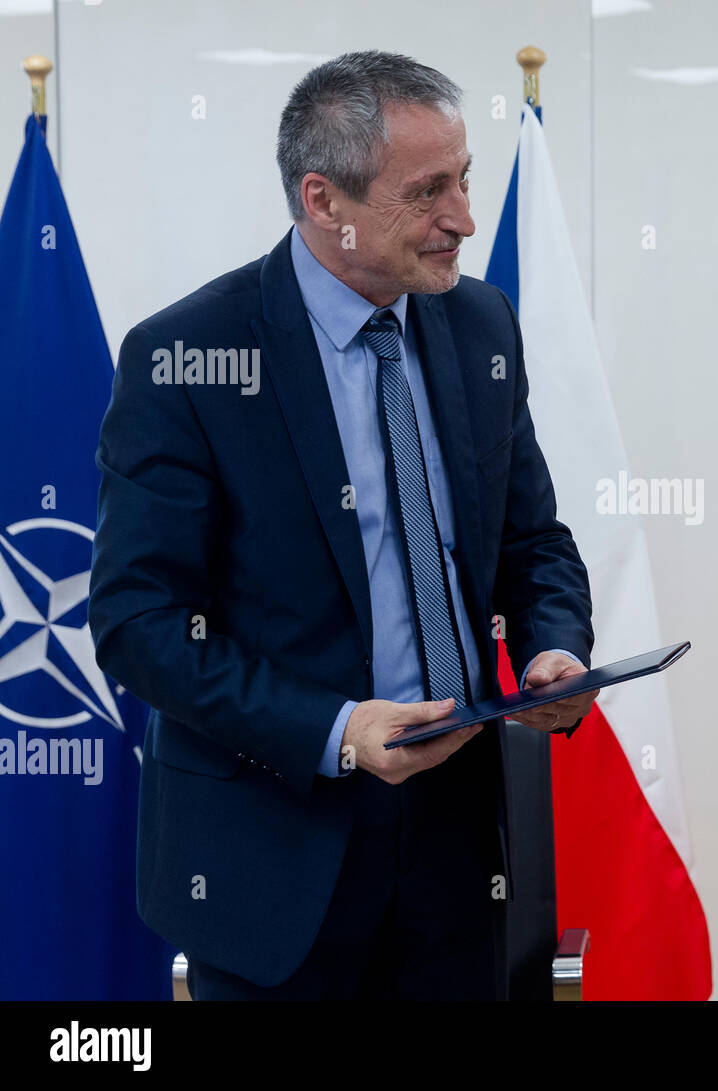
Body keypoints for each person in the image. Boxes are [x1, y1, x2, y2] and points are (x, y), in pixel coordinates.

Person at [88, 51, 597, 1000]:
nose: (464, 219)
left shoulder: (481, 324)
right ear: (325, 201)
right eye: (428, 191)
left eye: (467, 178)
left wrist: (554, 651)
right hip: (273, 854)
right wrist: (336, 729)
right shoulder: (186, 358)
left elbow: (533, 543)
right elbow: (137, 622)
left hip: (460, 842)